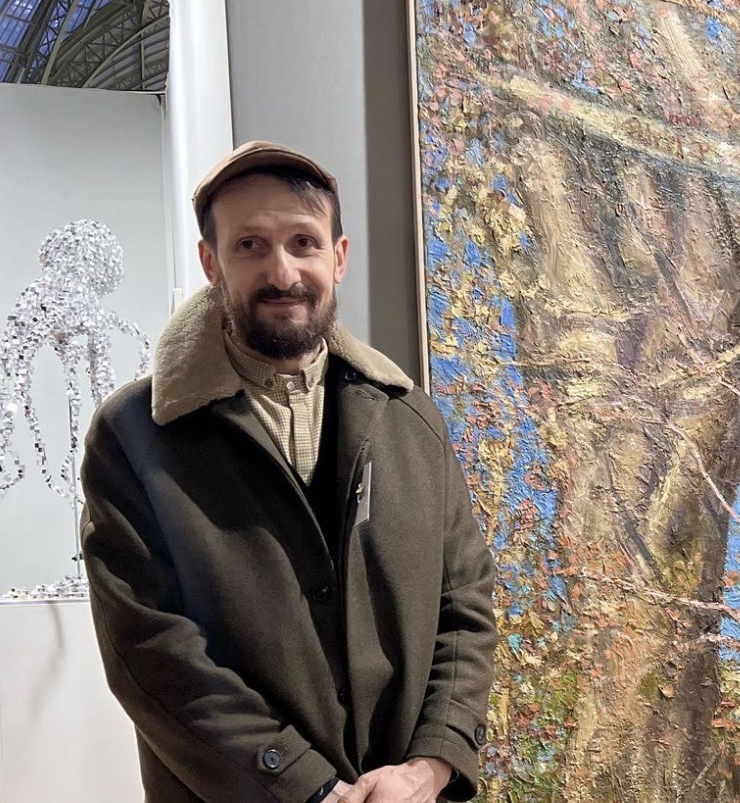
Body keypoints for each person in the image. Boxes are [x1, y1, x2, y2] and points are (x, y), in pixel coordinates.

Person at [80, 141, 498, 803]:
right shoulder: (133, 435)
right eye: (251, 246)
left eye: (303, 243)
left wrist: (431, 766)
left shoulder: (411, 421)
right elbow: (150, 650)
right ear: (210, 263)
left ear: (338, 257)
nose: (283, 271)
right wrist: (303, 785)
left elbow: (466, 607)